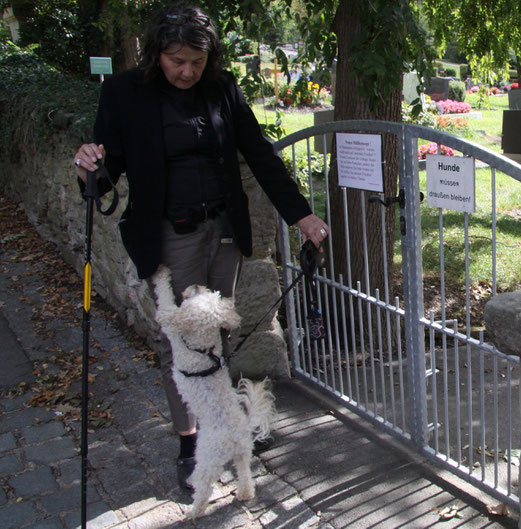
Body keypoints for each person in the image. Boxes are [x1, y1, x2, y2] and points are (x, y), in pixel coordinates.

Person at [71, 3, 329, 492]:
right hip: (171, 235)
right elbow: (105, 172)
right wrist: (89, 164)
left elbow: (258, 154)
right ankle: (191, 440)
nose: (187, 71)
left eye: (196, 60)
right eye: (177, 61)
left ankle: (224, 425)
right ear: (156, 55)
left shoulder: (221, 88)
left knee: (218, 334)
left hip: (223, 233)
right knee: (186, 342)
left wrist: (302, 215)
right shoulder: (126, 93)